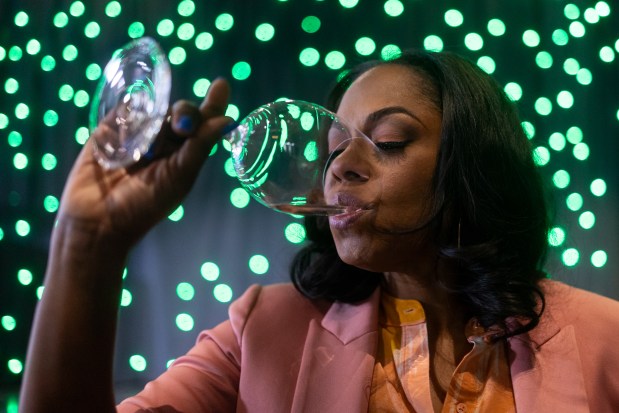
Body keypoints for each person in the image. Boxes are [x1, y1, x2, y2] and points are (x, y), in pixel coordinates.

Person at [19, 50, 619, 413]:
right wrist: (86, 243)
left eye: (387, 142)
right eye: (332, 151)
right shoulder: (262, 331)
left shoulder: (604, 339)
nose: (341, 168)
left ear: (474, 162)